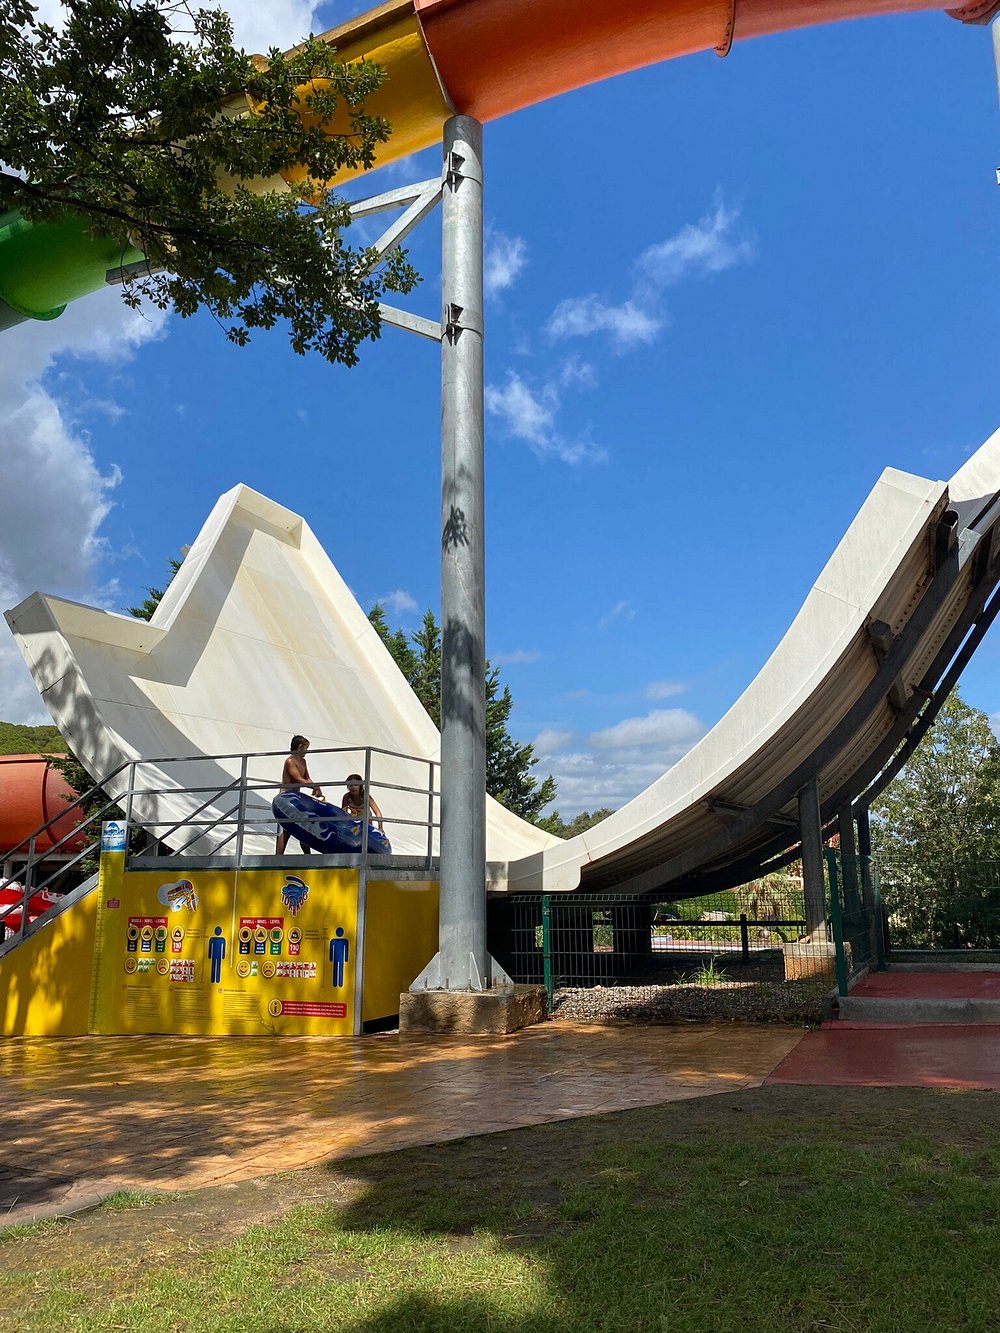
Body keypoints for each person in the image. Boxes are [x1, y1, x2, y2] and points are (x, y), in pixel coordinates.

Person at [275, 735, 324, 854]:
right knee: (289, 829)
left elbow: (307, 778)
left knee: (301, 826)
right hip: (286, 797)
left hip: (296, 796)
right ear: (300, 747)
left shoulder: (303, 761)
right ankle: (279, 856)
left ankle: (306, 855)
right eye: (306, 748)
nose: (306, 751)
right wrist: (312, 786)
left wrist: (316, 788)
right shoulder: (290, 761)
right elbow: (297, 778)